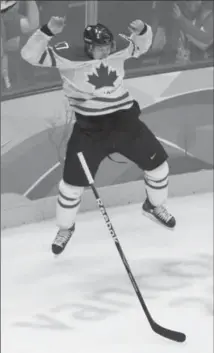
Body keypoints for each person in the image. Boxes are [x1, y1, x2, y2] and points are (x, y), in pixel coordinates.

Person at [21, 16, 176, 255]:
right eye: (100, 48)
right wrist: (47, 31)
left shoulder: (118, 51)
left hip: (125, 123)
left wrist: (142, 31)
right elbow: (29, 55)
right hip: (89, 130)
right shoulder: (67, 58)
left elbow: (142, 46)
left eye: (108, 47)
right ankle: (65, 228)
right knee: (71, 187)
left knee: (159, 168)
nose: (106, 52)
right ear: (88, 47)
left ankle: (154, 206)